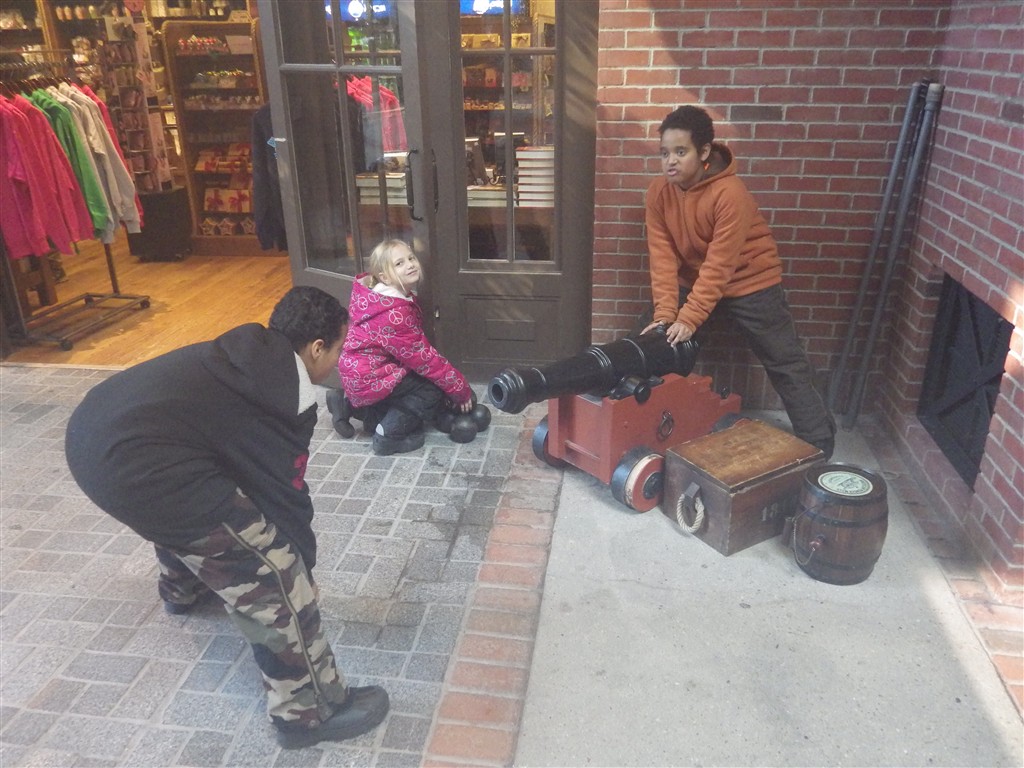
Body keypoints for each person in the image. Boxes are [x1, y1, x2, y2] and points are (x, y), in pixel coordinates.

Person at [64, 286, 389, 749]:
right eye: (338, 350)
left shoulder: (248, 354)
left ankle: (183, 590)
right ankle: (310, 712)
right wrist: (300, 571)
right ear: (317, 348)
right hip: (136, 466)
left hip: (93, 436)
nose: (338, 362)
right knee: (273, 571)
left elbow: (243, 470)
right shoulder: (288, 396)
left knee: (198, 505)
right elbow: (285, 494)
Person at [642, 105, 836, 458]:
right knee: (656, 344)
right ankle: (649, 428)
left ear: (704, 152)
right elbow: (662, 258)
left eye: (681, 152)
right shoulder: (658, 192)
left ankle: (819, 445)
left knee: (785, 362)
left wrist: (689, 318)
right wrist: (666, 315)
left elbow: (720, 265)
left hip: (751, 281)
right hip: (697, 280)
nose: (670, 161)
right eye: (664, 153)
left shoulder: (730, 193)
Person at [328, 238, 488, 456]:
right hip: (370, 377)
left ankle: (345, 404)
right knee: (429, 389)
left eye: (411, 258)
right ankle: (388, 437)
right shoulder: (394, 313)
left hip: (362, 373)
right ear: (384, 277)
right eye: (399, 263)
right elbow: (425, 360)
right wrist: (459, 389)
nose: (410, 265)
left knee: (411, 385)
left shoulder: (378, 298)